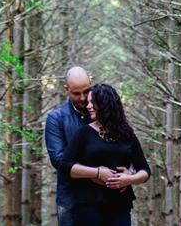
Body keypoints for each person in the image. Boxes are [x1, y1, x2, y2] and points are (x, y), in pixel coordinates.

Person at [56, 83, 151, 226]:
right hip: (90, 206)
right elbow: (65, 165)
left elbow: (145, 170)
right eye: (88, 102)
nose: (88, 106)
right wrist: (97, 173)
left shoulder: (127, 133)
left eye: (92, 102)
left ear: (105, 104)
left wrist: (129, 179)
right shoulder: (84, 133)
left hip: (121, 207)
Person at [46, 66, 93, 226]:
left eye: (86, 91)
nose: (82, 98)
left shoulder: (103, 114)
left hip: (102, 200)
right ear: (66, 90)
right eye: (76, 93)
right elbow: (59, 160)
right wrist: (98, 173)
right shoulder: (56, 118)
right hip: (70, 200)